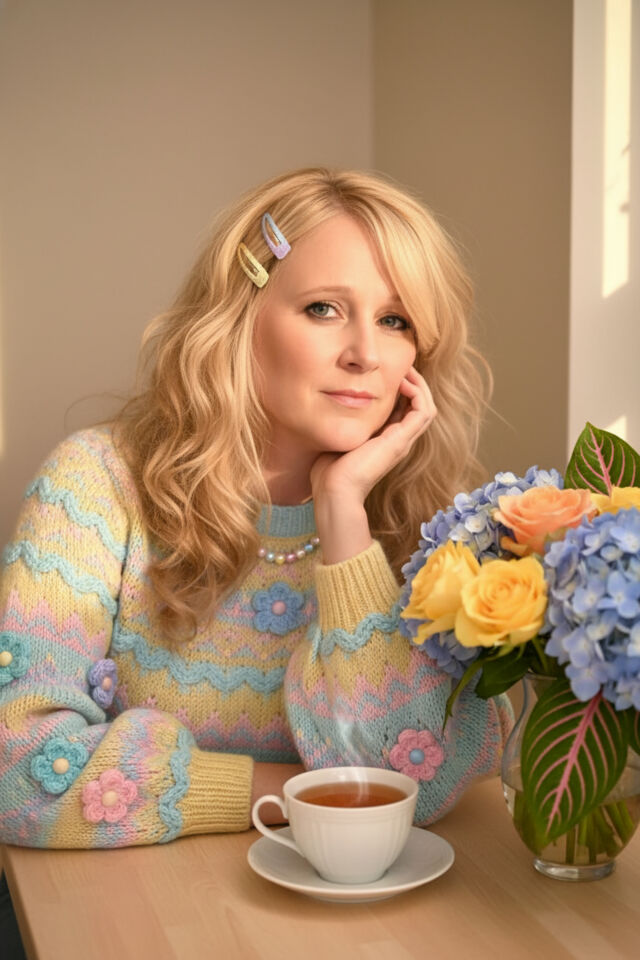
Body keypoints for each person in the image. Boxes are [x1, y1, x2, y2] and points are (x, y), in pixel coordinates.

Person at [0, 167, 512, 860]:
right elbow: (18, 772)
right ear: (242, 317)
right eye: (324, 309)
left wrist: (342, 516)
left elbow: (423, 781)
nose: (364, 354)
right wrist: (296, 792)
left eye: (395, 321)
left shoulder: (430, 522)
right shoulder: (96, 485)